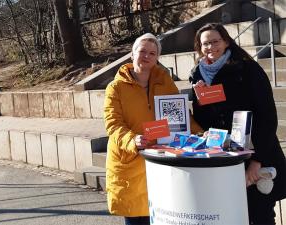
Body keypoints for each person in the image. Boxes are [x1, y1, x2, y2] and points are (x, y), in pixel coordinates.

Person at [190, 23, 286, 224]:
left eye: (215, 41)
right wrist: (200, 101)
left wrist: (256, 161)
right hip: (224, 157)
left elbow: (268, 117)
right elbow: (205, 122)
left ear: (226, 41)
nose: (210, 47)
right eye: (205, 43)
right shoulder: (197, 74)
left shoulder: (247, 68)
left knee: (261, 215)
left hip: (257, 153)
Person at [104, 33, 203, 225]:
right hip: (130, 158)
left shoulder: (165, 81)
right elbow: (113, 123)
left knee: (162, 216)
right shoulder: (115, 87)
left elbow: (180, 115)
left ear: (157, 57)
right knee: (136, 218)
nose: (147, 56)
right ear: (132, 55)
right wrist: (132, 140)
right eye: (142, 51)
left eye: (152, 52)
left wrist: (200, 133)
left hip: (160, 159)